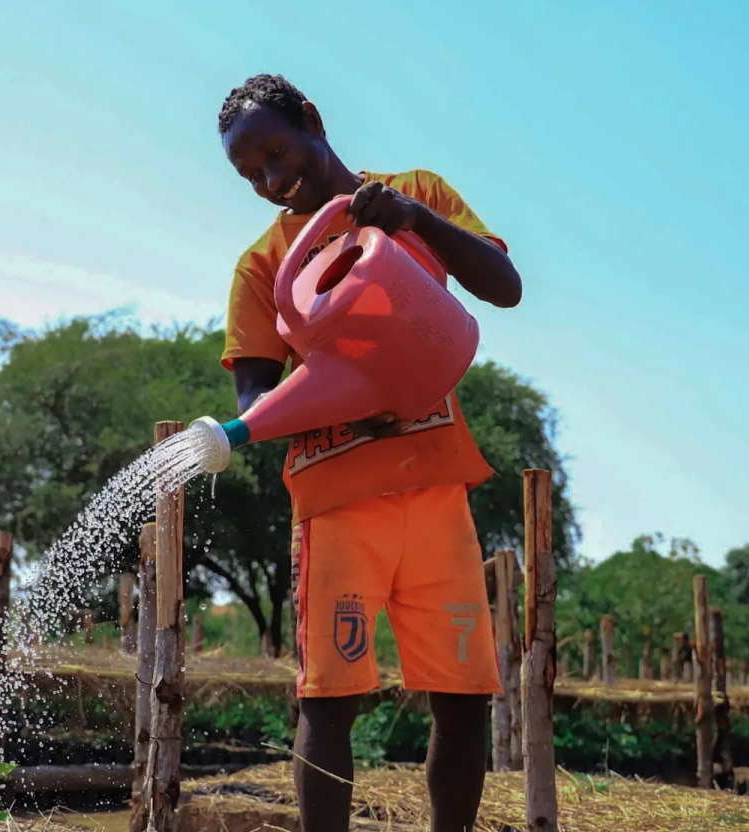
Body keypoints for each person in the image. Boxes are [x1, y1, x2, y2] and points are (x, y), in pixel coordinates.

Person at [216, 74, 522, 832]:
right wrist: (347, 395)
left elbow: (505, 286)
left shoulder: (415, 192)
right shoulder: (263, 265)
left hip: (436, 487)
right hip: (337, 504)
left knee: (463, 698)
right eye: (249, 173)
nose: (269, 179)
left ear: (314, 121)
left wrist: (413, 219)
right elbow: (253, 404)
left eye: (276, 152)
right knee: (331, 697)